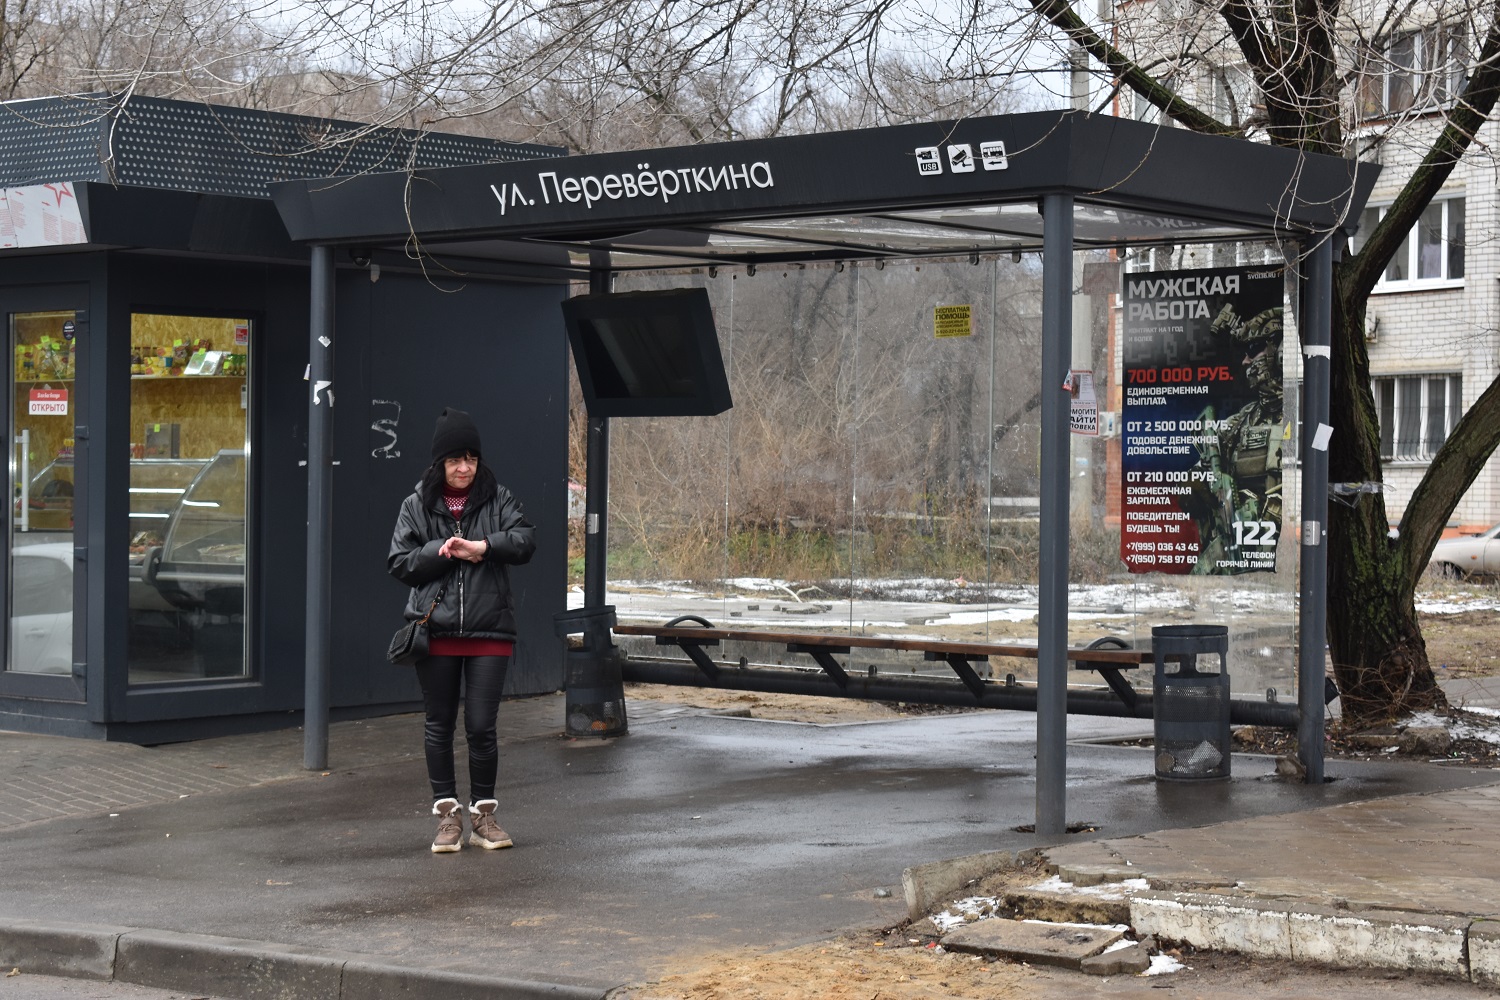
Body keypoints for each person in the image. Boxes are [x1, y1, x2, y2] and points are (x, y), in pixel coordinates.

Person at [388, 407, 536, 853]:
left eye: (471, 458)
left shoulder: (499, 497)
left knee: (481, 726)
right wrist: (442, 551)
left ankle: (484, 816)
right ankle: (448, 817)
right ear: (440, 463)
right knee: (439, 724)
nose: (464, 468)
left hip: (491, 630)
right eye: (455, 459)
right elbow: (399, 563)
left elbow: (525, 540)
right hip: (436, 631)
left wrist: (484, 546)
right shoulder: (416, 505)